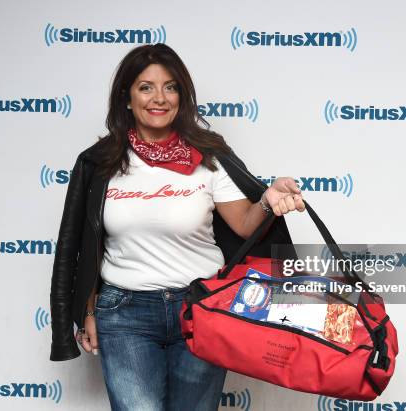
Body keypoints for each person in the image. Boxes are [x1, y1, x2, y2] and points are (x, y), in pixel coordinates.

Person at [49, 43, 305, 411]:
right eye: (146, 87)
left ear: (182, 97)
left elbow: (246, 224)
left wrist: (268, 199)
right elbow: (78, 247)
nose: (160, 98)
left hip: (200, 309)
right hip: (124, 314)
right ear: (126, 97)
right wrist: (86, 312)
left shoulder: (208, 156)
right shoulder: (100, 162)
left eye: (170, 87)